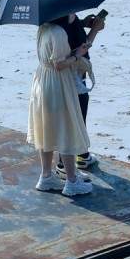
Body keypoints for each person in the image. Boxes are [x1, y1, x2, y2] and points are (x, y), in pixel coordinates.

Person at [27, 19, 93, 197]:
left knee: (45, 128)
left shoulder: (43, 28)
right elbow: (59, 64)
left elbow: (52, 59)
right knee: (66, 127)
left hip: (41, 80)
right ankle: (72, 181)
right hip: (57, 83)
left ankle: (46, 176)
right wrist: (78, 54)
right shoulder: (58, 33)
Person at [58, 7, 107, 173]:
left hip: (67, 76)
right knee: (76, 116)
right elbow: (81, 47)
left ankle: (83, 154)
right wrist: (95, 30)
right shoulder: (66, 18)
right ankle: (65, 164)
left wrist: (82, 23)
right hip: (74, 75)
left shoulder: (55, 18)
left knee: (73, 116)